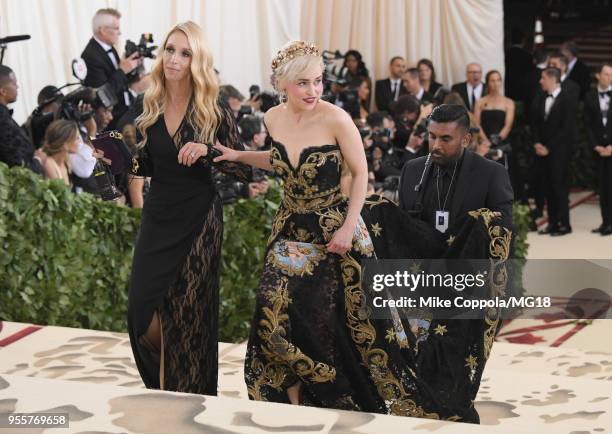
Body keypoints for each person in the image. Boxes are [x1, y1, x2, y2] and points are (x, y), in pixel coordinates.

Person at [215, 41, 511, 423]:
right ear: (284, 84)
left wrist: (348, 226)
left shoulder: (336, 118)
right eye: (303, 83)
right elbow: (280, 159)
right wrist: (238, 156)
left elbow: (360, 175)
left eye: (318, 81)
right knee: (270, 317)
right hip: (288, 229)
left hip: (334, 232)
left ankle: (320, 397)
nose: (313, 91)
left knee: (323, 321)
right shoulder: (273, 118)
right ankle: (289, 404)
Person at [127, 21, 251, 395]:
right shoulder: (150, 104)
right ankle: (177, 388)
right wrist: (116, 160)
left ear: (197, 60)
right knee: (142, 318)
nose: (175, 59)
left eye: (185, 53)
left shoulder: (212, 109)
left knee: (186, 320)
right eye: (170, 50)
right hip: (158, 217)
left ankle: (178, 403)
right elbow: (147, 166)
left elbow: (243, 167)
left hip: (199, 219)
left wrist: (209, 152)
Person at [531, 67, 575, 236]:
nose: (540, 81)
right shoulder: (540, 97)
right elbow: (535, 123)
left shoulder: (567, 99)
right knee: (547, 187)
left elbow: (566, 129)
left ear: (552, 79)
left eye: (543, 78)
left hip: (559, 153)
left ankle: (564, 224)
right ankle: (552, 223)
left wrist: (548, 147)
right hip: (542, 152)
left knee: (559, 188)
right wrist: (536, 143)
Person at [81, 8, 141, 129]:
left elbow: (118, 78)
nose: (120, 33)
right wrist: (122, 70)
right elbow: (103, 95)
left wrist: (132, 67)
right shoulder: (90, 55)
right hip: (112, 119)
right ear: (103, 30)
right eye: (116, 28)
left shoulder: (108, 47)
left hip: (125, 109)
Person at [584, 63, 612, 236]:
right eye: (607, 74)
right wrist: (595, 145)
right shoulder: (589, 96)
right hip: (598, 150)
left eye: (611, 75)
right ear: (598, 76)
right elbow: (587, 124)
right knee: (602, 187)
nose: (609, 77)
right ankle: (605, 222)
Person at [0, 65, 44, 174]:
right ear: (3, 91)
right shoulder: (3, 121)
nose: (18, 87)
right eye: (14, 84)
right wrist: (38, 160)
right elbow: (17, 162)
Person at [474, 70, 516, 165]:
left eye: (498, 80)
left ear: (501, 82)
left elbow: (508, 126)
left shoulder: (509, 103)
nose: (495, 83)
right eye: (492, 80)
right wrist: (485, 141)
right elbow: (477, 124)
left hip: (501, 143)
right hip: (484, 143)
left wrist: (495, 142)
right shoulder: (480, 102)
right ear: (488, 82)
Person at [41, 120, 81, 186]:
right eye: (77, 138)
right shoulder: (49, 163)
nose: (80, 142)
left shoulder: (66, 160)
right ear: (65, 143)